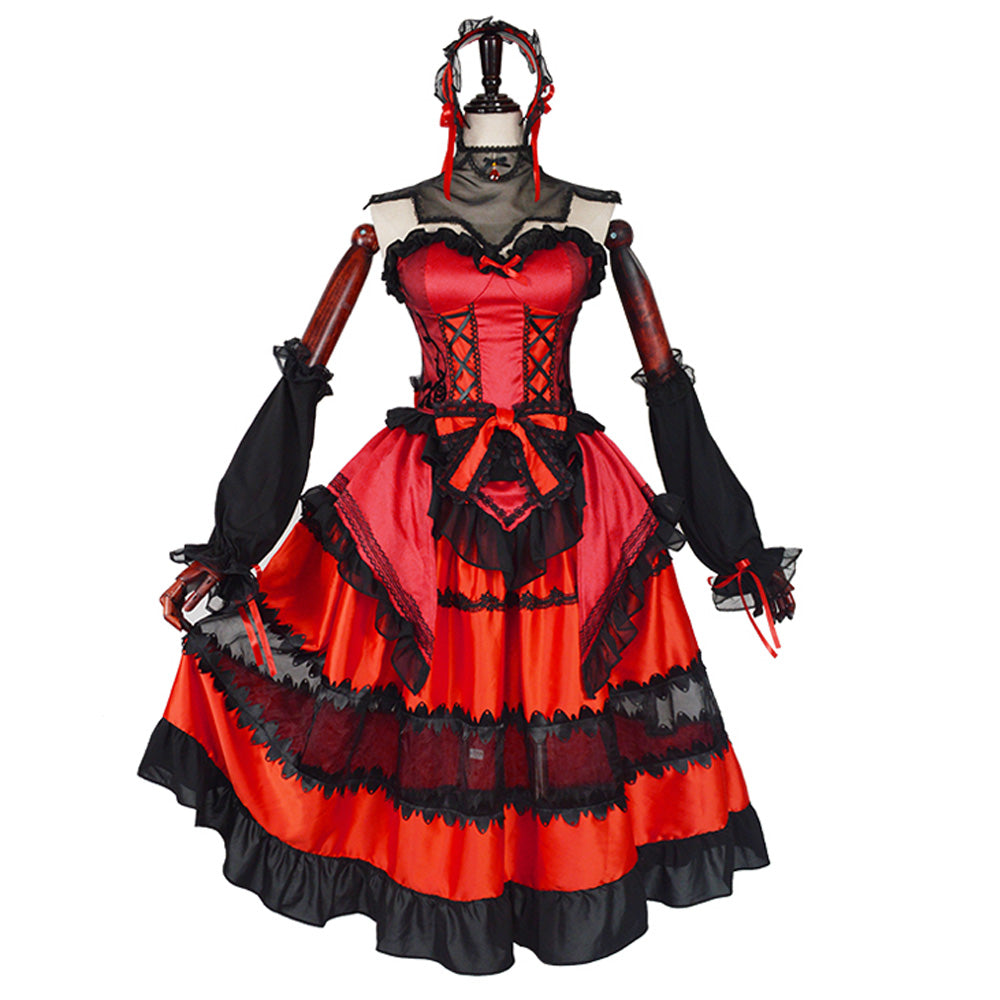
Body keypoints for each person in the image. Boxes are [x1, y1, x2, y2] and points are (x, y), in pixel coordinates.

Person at [141, 16, 800, 975]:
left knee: (562, 696)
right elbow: (306, 371)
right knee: (419, 691)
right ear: (450, 106)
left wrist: (730, 544)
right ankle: (450, 886)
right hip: (423, 503)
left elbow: (665, 381)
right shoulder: (390, 220)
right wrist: (233, 544)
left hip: (571, 502)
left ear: (539, 103)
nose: (493, 101)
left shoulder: (598, 221)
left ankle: (552, 881)